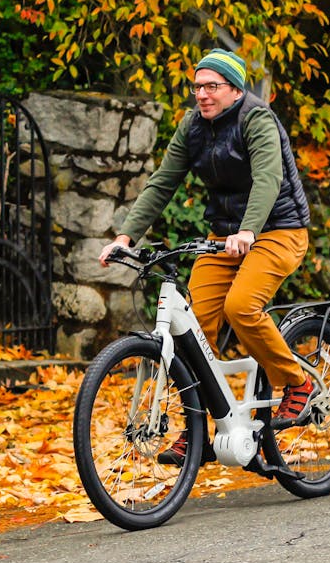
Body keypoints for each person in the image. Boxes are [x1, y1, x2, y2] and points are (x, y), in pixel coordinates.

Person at [98, 48, 315, 465]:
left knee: (241, 306)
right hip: (225, 237)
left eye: (211, 86)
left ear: (235, 90)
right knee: (194, 330)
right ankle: (199, 428)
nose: (201, 94)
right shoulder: (193, 127)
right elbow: (162, 183)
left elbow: (268, 179)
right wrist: (125, 237)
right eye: (197, 86)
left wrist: (250, 230)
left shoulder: (257, 119)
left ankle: (296, 382)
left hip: (278, 230)